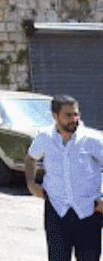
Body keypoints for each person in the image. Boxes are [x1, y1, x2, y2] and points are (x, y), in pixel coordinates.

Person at [25, 95, 103, 261]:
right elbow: (30, 157)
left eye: (76, 114)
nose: (74, 119)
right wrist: (31, 183)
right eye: (68, 115)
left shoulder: (93, 140)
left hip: (88, 213)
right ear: (55, 116)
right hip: (56, 212)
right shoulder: (44, 138)